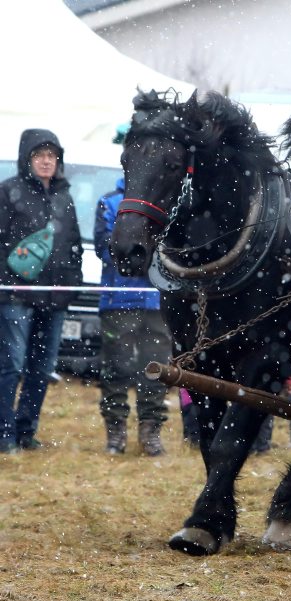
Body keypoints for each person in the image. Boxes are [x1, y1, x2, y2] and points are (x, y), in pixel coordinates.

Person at [0, 129, 82, 454]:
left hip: (55, 298)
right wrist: (10, 280)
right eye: (39, 155)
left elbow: (74, 244)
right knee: (12, 366)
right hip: (16, 298)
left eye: (52, 155)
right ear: (27, 159)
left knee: (42, 369)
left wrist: (72, 285)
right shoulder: (8, 192)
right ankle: (4, 435)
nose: (46, 161)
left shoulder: (65, 196)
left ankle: (25, 431)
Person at [94, 175, 172, 456]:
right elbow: (105, 248)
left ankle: (151, 429)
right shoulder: (110, 201)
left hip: (157, 302)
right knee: (117, 366)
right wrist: (135, 258)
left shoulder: (167, 200)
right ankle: (115, 430)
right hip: (119, 300)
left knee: (156, 367)